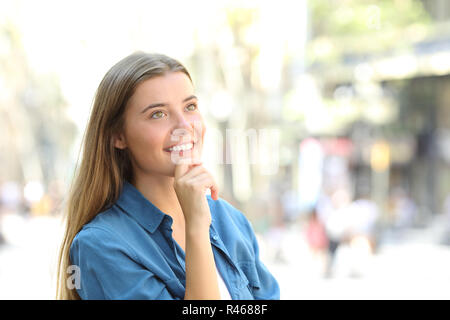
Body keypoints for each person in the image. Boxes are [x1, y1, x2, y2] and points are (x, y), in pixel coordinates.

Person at [56, 52, 279, 300]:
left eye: (190, 107)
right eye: (158, 114)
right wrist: (196, 226)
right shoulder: (100, 245)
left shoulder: (229, 220)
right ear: (118, 136)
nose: (184, 125)